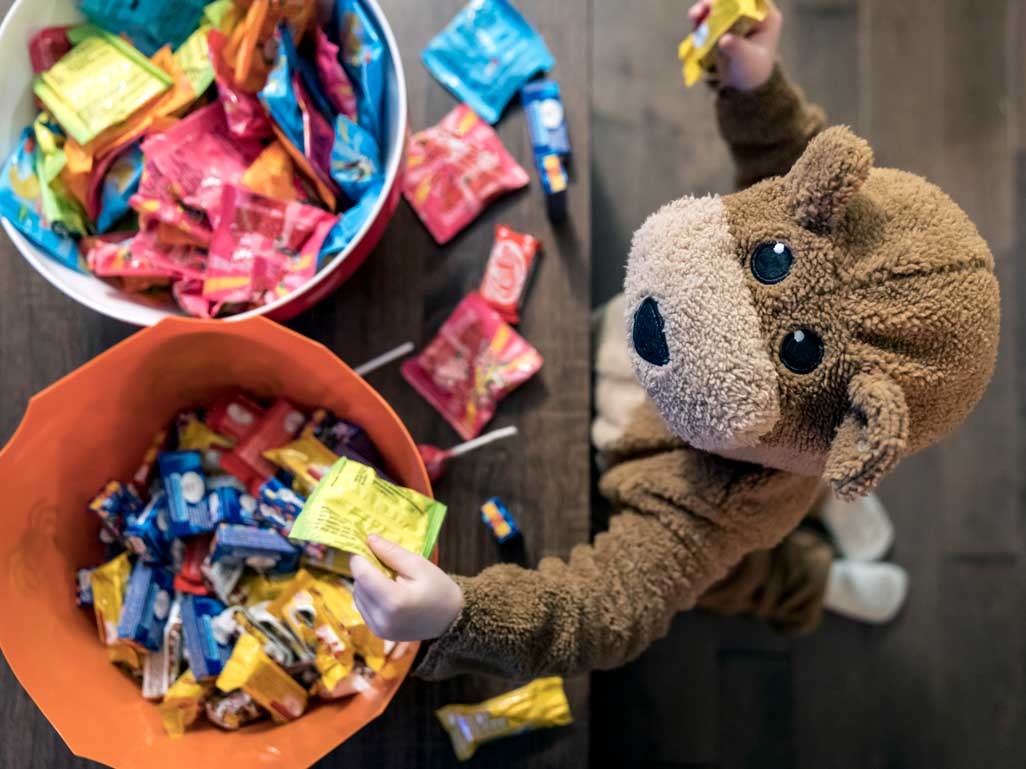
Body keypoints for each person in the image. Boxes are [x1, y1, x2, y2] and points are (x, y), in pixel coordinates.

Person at [346, 0, 999, 680]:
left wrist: (460, 613)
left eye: (800, 348)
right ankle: (835, 491)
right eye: (770, 256)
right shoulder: (805, 208)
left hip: (714, 489)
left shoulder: (723, 501)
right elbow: (786, 160)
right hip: (715, 412)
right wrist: (756, 83)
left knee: (738, 575)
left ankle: (813, 581)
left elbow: (610, 606)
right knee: (809, 456)